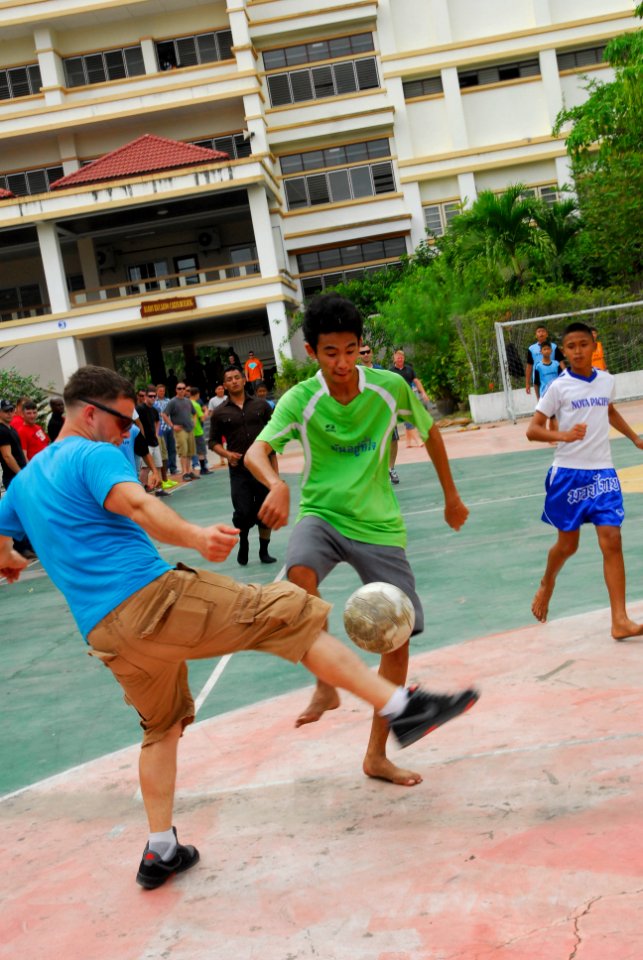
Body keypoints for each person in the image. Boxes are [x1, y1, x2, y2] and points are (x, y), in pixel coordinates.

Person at [0, 364, 478, 889]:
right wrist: (193, 536)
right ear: (90, 413)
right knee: (289, 609)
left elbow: (4, 551)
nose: (129, 429)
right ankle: (402, 709)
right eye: (124, 419)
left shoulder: (22, 484)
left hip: (106, 634)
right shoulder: (90, 454)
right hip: (152, 599)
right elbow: (135, 503)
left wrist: (14, 560)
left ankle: (161, 850)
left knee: (160, 728)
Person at [245, 293, 473, 787]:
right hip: (322, 514)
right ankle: (326, 682)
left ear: (360, 348)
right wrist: (277, 484)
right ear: (312, 352)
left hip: (378, 524)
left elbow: (431, 433)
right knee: (298, 579)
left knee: (398, 634)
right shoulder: (300, 399)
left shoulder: (389, 388)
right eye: (331, 353)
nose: (343, 362)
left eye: (351, 350)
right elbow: (256, 452)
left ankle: (376, 756)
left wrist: (451, 497)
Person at [526, 322, 643, 640]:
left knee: (612, 540)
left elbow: (609, 411)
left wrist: (634, 438)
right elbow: (533, 429)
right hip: (568, 473)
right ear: (564, 350)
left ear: (594, 345)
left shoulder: (606, 381)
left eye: (583, 344)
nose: (578, 351)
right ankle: (547, 582)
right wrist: (562, 434)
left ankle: (620, 620)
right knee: (568, 545)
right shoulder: (559, 388)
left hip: (603, 472)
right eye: (571, 346)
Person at [210, 367, 278, 565]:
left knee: (266, 511)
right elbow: (212, 441)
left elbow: (274, 438)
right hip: (239, 471)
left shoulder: (261, 405)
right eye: (229, 379)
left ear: (244, 380)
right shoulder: (220, 412)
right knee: (243, 512)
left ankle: (264, 551)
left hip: (263, 469)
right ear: (224, 385)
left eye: (237, 377)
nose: (234, 381)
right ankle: (244, 541)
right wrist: (227, 454)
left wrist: (275, 474)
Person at [0, 398, 35, 559]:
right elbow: (7, 456)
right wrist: (21, 474)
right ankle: (21, 548)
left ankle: (28, 546)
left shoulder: (11, 428)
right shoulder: (1, 431)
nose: (9, 413)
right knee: (20, 512)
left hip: (19, 475)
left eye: (11, 410)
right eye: (6, 410)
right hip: (13, 477)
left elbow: (19, 454)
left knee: (26, 510)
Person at [388, 349, 428, 479]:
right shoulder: (390, 372)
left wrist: (423, 392)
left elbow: (416, 381)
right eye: (397, 358)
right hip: (397, 399)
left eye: (401, 358)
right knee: (408, 419)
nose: (400, 359)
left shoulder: (409, 369)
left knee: (410, 418)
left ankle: (409, 442)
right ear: (394, 359)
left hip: (409, 396)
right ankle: (417, 439)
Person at [136, 386, 169, 497]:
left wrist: (156, 433)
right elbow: (136, 422)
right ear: (145, 396)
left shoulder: (154, 410)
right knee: (145, 467)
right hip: (146, 443)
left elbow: (157, 421)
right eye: (150, 396)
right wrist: (142, 436)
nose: (153, 398)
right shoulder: (139, 408)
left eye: (154, 396)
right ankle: (141, 490)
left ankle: (159, 489)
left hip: (154, 442)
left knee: (158, 466)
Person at [162, 382, 198, 482]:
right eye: (179, 388)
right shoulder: (173, 401)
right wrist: (172, 426)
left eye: (183, 388)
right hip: (180, 430)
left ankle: (189, 471)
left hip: (189, 429)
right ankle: (185, 473)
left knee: (190, 451)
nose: (181, 390)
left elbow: (194, 413)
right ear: (176, 390)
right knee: (183, 452)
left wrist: (194, 423)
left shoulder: (188, 401)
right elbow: (164, 414)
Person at [525, 325, 564, 394]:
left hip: (554, 378)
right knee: (541, 401)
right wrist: (527, 383)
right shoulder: (531, 349)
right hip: (539, 380)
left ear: (547, 334)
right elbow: (529, 366)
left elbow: (561, 362)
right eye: (539, 332)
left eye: (543, 331)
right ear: (536, 335)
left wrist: (565, 376)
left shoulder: (554, 347)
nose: (541, 333)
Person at [153, 384, 179, 484]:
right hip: (160, 429)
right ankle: (165, 470)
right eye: (160, 391)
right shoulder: (154, 402)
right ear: (156, 391)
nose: (162, 392)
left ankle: (173, 468)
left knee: (172, 449)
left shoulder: (169, 401)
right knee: (163, 451)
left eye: (163, 391)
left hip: (169, 427)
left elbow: (172, 413)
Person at [189, 386, 210, 475]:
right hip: (197, 430)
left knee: (195, 451)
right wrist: (206, 411)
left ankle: (200, 467)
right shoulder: (196, 405)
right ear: (197, 394)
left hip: (190, 430)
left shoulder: (187, 403)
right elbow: (202, 418)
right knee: (201, 450)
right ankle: (203, 468)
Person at [207, 384, 228, 465]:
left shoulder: (227, 397)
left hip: (228, 421)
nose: (221, 390)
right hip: (218, 423)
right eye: (219, 389)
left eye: (222, 389)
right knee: (220, 442)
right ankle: (222, 459)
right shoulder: (213, 400)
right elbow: (210, 411)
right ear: (215, 391)